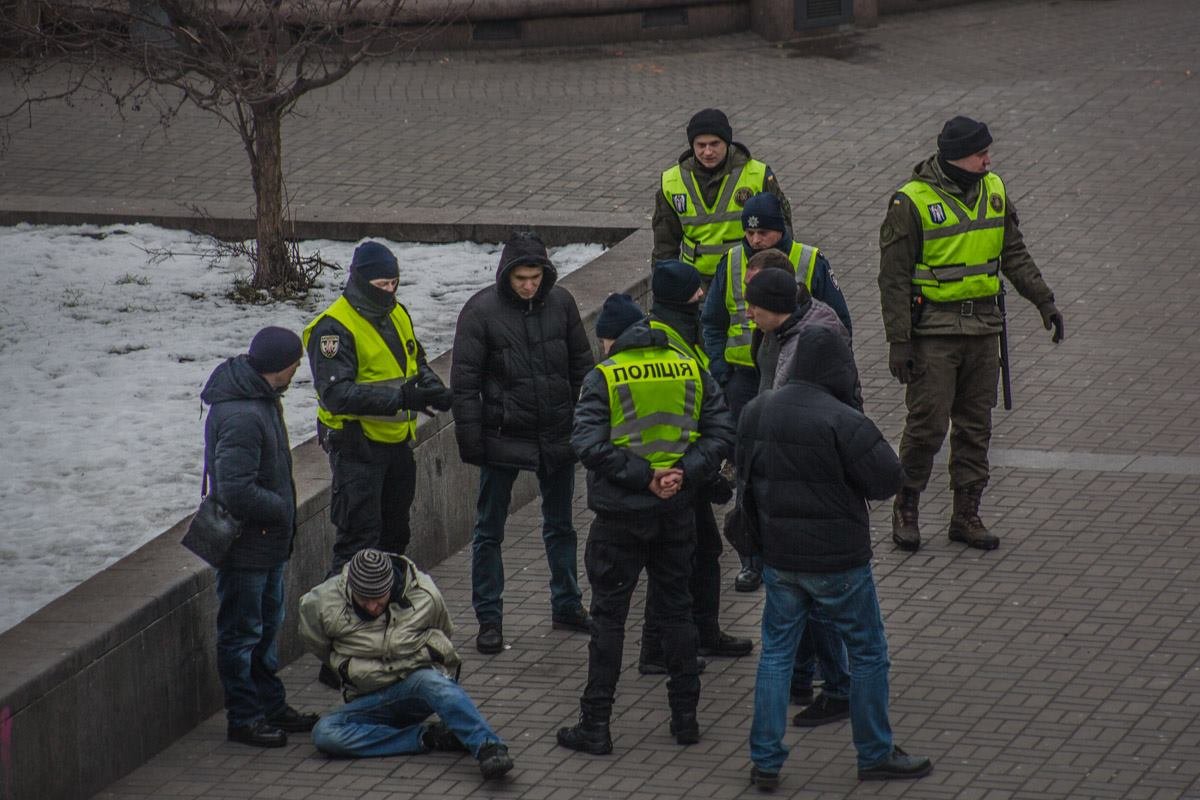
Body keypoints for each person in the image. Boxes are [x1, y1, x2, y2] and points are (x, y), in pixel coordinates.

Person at [737, 325, 933, 787]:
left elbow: (746, 471)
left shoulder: (757, 410)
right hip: (839, 564)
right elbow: (888, 481)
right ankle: (875, 752)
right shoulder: (844, 419)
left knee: (776, 655)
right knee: (867, 653)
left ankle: (765, 760)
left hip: (780, 559)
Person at [557, 294, 735, 755]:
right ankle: (686, 719)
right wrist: (682, 473)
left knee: (608, 619)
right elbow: (721, 431)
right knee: (677, 611)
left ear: (611, 338)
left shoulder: (607, 375)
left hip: (621, 517)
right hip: (677, 511)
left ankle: (595, 724)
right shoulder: (688, 366)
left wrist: (644, 477)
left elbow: (586, 443)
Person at [879, 116, 1064, 552]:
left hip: (983, 329)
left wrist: (1044, 300)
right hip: (934, 332)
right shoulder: (911, 201)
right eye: (981, 152)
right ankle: (907, 505)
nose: (989, 159)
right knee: (927, 426)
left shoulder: (994, 190)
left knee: (975, 427)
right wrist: (899, 341)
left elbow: (1013, 253)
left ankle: (966, 514)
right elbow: (894, 278)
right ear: (957, 156)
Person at [451, 231, 594, 654]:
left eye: (535, 277)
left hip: (555, 433)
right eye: (521, 278)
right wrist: (471, 442)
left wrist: (583, 426)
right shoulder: (480, 312)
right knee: (489, 530)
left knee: (561, 525)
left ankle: (566, 603)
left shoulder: (562, 303)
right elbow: (464, 385)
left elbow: (582, 369)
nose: (529, 285)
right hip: (502, 436)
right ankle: (489, 618)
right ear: (506, 275)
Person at [704, 193, 853, 593]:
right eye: (749, 232)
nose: (755, 239)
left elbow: (841, 326)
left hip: (795, 388)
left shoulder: (810, 261)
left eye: (763, 231)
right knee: (747, 473)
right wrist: (722, 372)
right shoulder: (733, 262)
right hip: (744, 383)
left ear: (781, 229)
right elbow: (713, 322)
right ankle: (751, 560)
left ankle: (791, 553)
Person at [742, 264, 858, 727]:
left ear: (777, 308)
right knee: (802, 601)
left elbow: (784, 404)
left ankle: (835, 687)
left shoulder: (811, 336)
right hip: (791, 483)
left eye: (753, 307)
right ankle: (805, 678)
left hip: (805, 483)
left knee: (815, 602)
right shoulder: (782, 330)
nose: (747, 314)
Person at [298, 549, 514, 781]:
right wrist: (345, 668)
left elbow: (444, 634)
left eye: (379, 598)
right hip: (365, 699)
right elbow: (319, 645)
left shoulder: (425, 594)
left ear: (391, 588)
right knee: (325, 733)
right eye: (364, 599)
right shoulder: (320, 604)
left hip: (415, 690)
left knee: (431, 681)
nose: (372, 607)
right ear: (351, 589)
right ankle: (429, 737)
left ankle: (488, 747)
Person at [200, 326, 319, 747]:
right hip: (246, 547)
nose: (297, 370)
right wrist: (282, 506)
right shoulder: (244, 414)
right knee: (243, 632)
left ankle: (270, 706)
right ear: (282, 366)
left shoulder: (262, 399)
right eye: (295, 363)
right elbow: (234, 489)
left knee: (266, 628)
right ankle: (245, 718)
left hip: (265, 543)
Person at [303, 240, 453, 571]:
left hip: (397, 444)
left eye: (393, 284)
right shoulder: (334, 328)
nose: (388, 291)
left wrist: (434, 390)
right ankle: (344, 618)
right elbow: (336, 394)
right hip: (357, 448)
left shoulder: (397, 312)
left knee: (395, 536)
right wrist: (400, 399)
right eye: (380, 285)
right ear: (359, 281)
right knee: (358, 545)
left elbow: (416, 361)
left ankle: (385, 610)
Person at [638, 260, 753, 672]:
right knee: (673, 559)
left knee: (704, 551)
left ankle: (705, 632)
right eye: (695, 293)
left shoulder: (684, 332)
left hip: (690, 467)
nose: (702, 297)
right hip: (670, 470)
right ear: (677, 300)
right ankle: (655, 650)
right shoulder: (664, 341)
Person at [653, 108, 792, 281]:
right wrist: (666, 284)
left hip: (746, 276)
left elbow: (783, 229)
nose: (708, 152)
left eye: (715, 143)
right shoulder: (672, 181)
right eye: (701, 145)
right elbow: (664, 245)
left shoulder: (757, 174)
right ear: (692, 145)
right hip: (696, 282)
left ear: (727, 142)